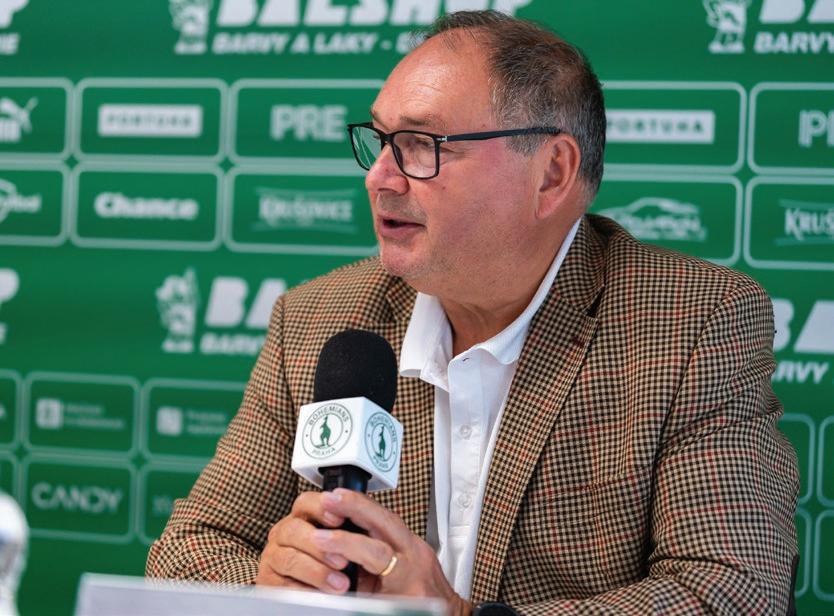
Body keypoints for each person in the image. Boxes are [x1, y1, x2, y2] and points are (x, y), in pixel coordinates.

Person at [147, 10, 799, 616]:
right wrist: (268, 587)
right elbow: (188, 549)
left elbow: (732, 591)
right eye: (380, 141)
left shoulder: (693, 323)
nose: (379, 177)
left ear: (551, 173)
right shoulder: (319, 318)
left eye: (420, 144)